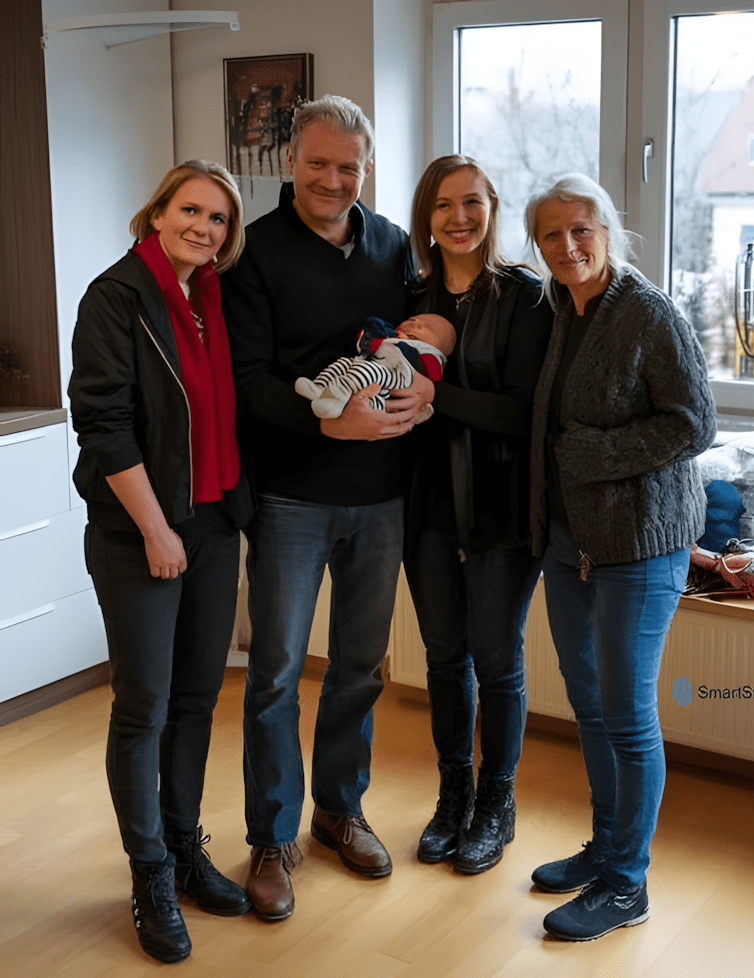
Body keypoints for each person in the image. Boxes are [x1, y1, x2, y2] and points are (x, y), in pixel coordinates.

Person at [221, 95, 427, 921]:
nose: (333, 180)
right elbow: (246, 380)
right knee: (275, 674)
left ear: (366, 168)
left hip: (382, 497)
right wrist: (325, 419)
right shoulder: (252, 252)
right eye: (318, 164)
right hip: (290, 498)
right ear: (290, 163)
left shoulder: (394, 245)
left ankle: (340, 810)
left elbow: (416, 343)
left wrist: (420, 392)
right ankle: (273, 838)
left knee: (358, 670)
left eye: (349, 167)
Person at [68, 160, 255, 963]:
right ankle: (148, 873)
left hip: (211, 523)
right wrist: (154, 528)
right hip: (140, 531)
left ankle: (183, 849)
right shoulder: (115, 298)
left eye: (218, 219)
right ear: (157, 214)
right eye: (190, 210)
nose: (203, 228)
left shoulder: (211, 298)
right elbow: (103, 423)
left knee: (196, 698)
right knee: (144, 705)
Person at [525, 173, 716, 941]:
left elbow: (695, 423)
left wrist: (597, 455)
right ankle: (606, 849)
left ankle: (627, 884)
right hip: (569, 542)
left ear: (608, 229)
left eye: (581, 229)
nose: (567, 245)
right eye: (550, 234)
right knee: (590, 702)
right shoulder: (559, 308)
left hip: (640, 543)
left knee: (629, 716)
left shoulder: (648, 311)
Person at [403, 155, 553, 874]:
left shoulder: (526, 296)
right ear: (426, 218)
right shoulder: (409, 295)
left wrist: (436, 398)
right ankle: (452, 793)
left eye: (471, 202)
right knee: (443, 659)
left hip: (502, 511)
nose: (458, 217)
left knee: (495, 661)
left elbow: (524, 414)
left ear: (492, 208)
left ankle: (497, 801)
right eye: (443, 205)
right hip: (427, 510)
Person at [295, 313, 456, 421]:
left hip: (392, 379)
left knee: (369, 373)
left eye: (429, 328)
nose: (416, 325)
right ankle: (320, 387)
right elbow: (367, 343)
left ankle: (336, 401)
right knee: (344, 363)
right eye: (413, 320)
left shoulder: (429, 355)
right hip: (367, 364)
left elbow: (432, 378)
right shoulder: (391, 336)